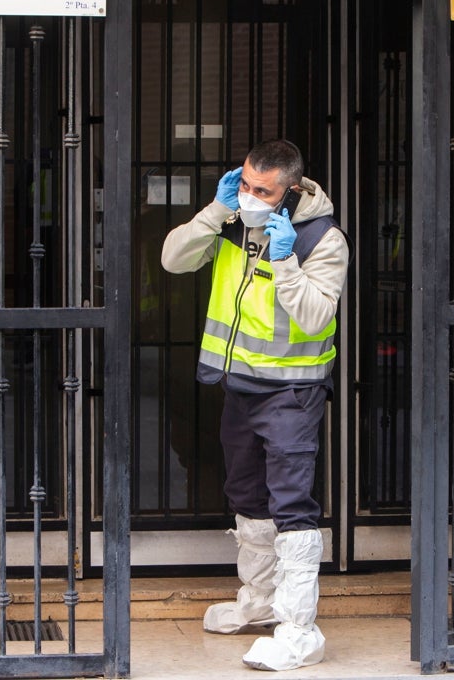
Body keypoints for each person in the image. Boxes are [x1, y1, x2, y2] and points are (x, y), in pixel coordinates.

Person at [161, 139, 349, 671]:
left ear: (291, 191)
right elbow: (173, 259)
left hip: (291, 391)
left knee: (291, 504)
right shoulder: (232, 222)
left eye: (261, 190)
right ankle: (260, 602)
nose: (250, 196)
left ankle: (299, 629)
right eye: (243, 184)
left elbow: (315, 317)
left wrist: (285, 258)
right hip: (239, 386)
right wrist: (218, 209)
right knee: (246, 495)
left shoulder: (322, 237)